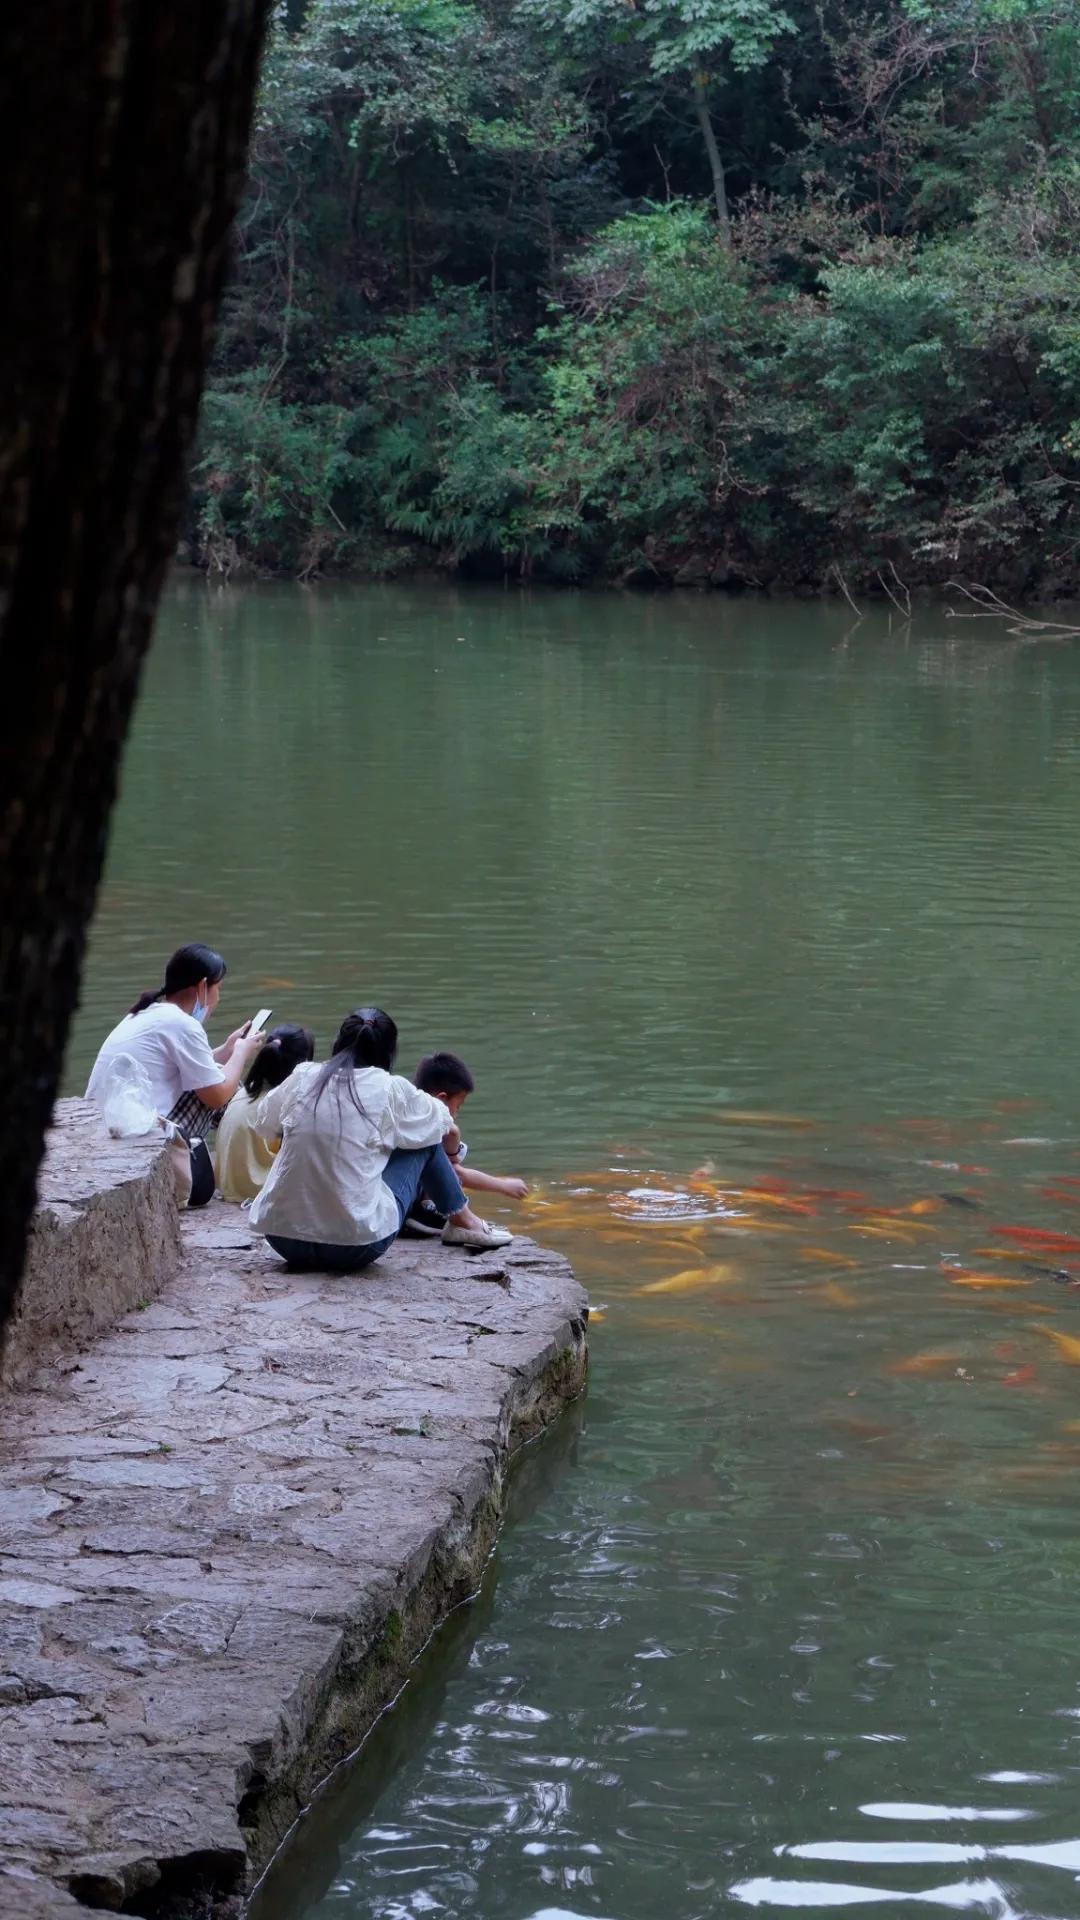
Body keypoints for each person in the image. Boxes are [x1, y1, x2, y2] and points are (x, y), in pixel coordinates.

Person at [248, 1007, 513, 1270]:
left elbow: (263, 1125)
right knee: (424, 1138)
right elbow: (443, 1123)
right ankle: (463, 1221)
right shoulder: (390, 1088)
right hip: (353, 1247)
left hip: (284, 1238)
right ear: (389, 1051)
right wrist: (452, 1155)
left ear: (338, 1043)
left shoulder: (304, 1075)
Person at [86, 943, 263, 1205]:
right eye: (218, 989)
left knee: (216, 1074)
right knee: (232, 1092)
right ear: (203, 986)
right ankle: (256, 1171)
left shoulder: (146, 1013)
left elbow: (181, 1068)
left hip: (107, 1131)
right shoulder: (182, 1024)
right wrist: (240, 1053)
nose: (218, 998)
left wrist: (227, 1049)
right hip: (137, 1142)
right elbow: (216, 1096)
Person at [404, 1051, 527, 1237]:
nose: (457, 1113)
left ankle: (427, 1209)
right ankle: (425, 1213)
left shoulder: (406, 1115)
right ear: (441, 1099)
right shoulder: (428, 1132)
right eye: (458, 1106)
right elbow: (456, 1172)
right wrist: (504, 1186)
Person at [214, 1023, 315, 1204]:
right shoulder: (284, 1102)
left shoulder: (244, 1092)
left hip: (229, 1186)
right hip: (258, 1189)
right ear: (300, 1067)